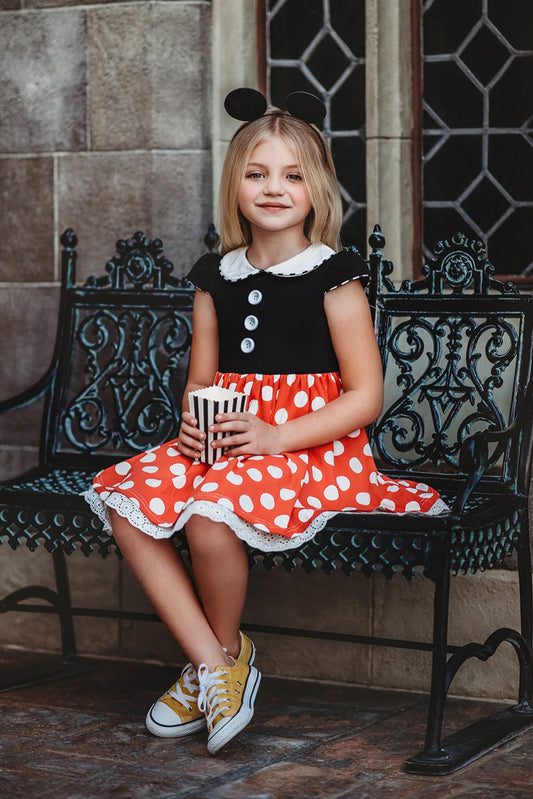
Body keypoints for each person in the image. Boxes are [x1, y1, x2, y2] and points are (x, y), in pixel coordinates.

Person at [84, 88, 446, 755]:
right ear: (235, 184)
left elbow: (365, 396)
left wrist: (278, 435)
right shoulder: (211, 277)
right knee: (127, 502)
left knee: (207, 512)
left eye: (291, 174)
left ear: (315, 189)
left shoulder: (333, 277)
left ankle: (211, 663)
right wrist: (195, 422)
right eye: (256, 172)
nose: (273, 187)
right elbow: (201, 380)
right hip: (227, 440)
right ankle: (217, 662)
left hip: (310, 448)